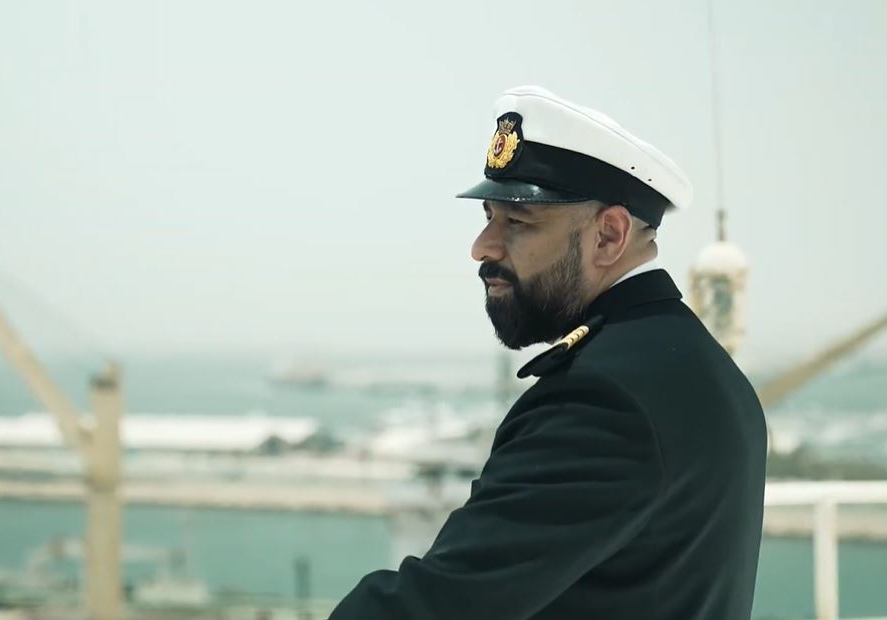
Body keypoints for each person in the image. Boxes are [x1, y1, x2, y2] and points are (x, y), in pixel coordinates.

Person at [329, 86, 767, 619]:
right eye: (488, 216)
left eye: (517, 221)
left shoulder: (604, 398)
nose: (483, 247)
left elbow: (439, 607)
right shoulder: (689, 363)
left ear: (609, 235)